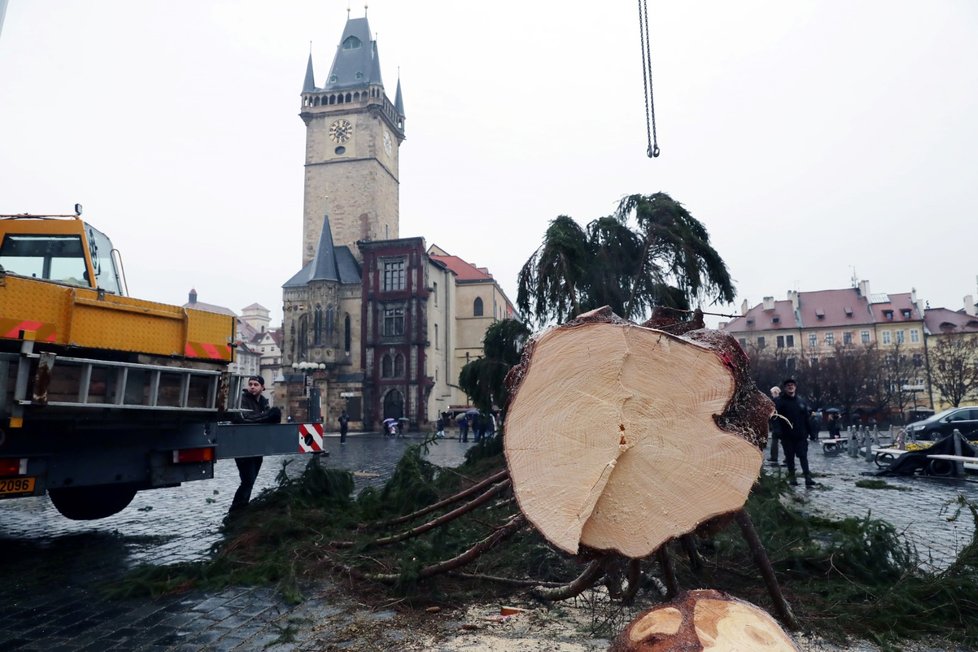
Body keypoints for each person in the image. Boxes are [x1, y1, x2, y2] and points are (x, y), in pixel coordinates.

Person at [229, 375, 281, 513]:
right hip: (242, 446)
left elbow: (267, 422)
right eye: (250, 384)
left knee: (250, 481)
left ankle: (241, 507)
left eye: (256, 384)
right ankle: (236, 510)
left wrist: (270, 417)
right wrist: (267, 416)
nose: (252, 387)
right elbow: (243, 419)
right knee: (247, 480)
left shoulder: (264, 401)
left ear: (262, 387)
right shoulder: (242, 400)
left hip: (257, 446)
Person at [774, 378, 816, 487]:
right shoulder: (780, 401)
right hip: (787, 435)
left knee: (803, 456)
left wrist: (811, 433)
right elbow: (775, 418)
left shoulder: (801, 401)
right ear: (785, 388)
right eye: (788, 385)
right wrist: (778, 430)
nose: (790, 387)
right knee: (789, 457)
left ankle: (807, 477)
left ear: (795, 387)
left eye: (792, 385)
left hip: (801, 435)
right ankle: (792, 478)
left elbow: (806, 418)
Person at [767, 385, 782, 464]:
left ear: (775, 393)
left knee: (774, 441)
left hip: (776, 423)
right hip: (783, 423)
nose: (771, 394)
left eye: (772, 393)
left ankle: (774, 457)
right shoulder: (783, 401)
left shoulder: (773, 402)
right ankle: (787, 458)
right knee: (785, 442)